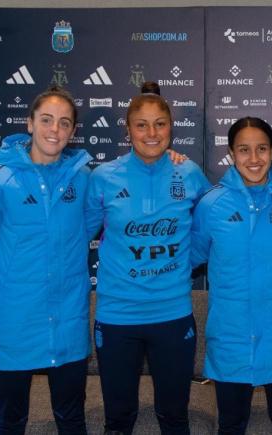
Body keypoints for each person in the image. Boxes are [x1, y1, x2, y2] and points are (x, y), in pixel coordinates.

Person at [0, 86, 92, 434]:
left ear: (73, 132)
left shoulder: (85, 179)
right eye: (46, 120)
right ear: (29, 123)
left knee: (73, 420)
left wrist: (170, 159)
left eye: (64, 123)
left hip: (67, 324)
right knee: (11, 422)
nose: (54, 130)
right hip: (12, 324)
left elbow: (119, 204)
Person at [85, 92, 210, 435]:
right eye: (141, 125)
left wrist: (185, 263)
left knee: (174, 418)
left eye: (159, 124)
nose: (151, 133)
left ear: (171, 128)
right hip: (117, 317)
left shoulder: (189, 172)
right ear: (128, 130)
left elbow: (213, 224)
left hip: (172, 315)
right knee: (119, 420)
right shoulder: (104, 177)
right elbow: (76, 237)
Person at [191, 117, 272, 435]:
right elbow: (188, 259)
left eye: (262, 148)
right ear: (231, 153)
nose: (254, 158)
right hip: (231, 338)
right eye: (244, 150)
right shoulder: (211, 205)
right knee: (231, 426)